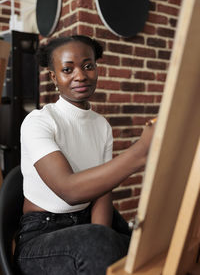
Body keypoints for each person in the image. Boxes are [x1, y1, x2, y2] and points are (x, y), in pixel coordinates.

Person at [14, 35, 155, 275]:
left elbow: (102, 191)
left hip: (86, 221)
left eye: (88, 66)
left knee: (145, 246)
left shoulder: (101, 125)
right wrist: (141, 153)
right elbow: (69, 190)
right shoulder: (38, 122)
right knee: (102, 244)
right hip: (42, 233)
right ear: (54, 77)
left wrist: (104, 236)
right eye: (67, 69)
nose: (80, 76)